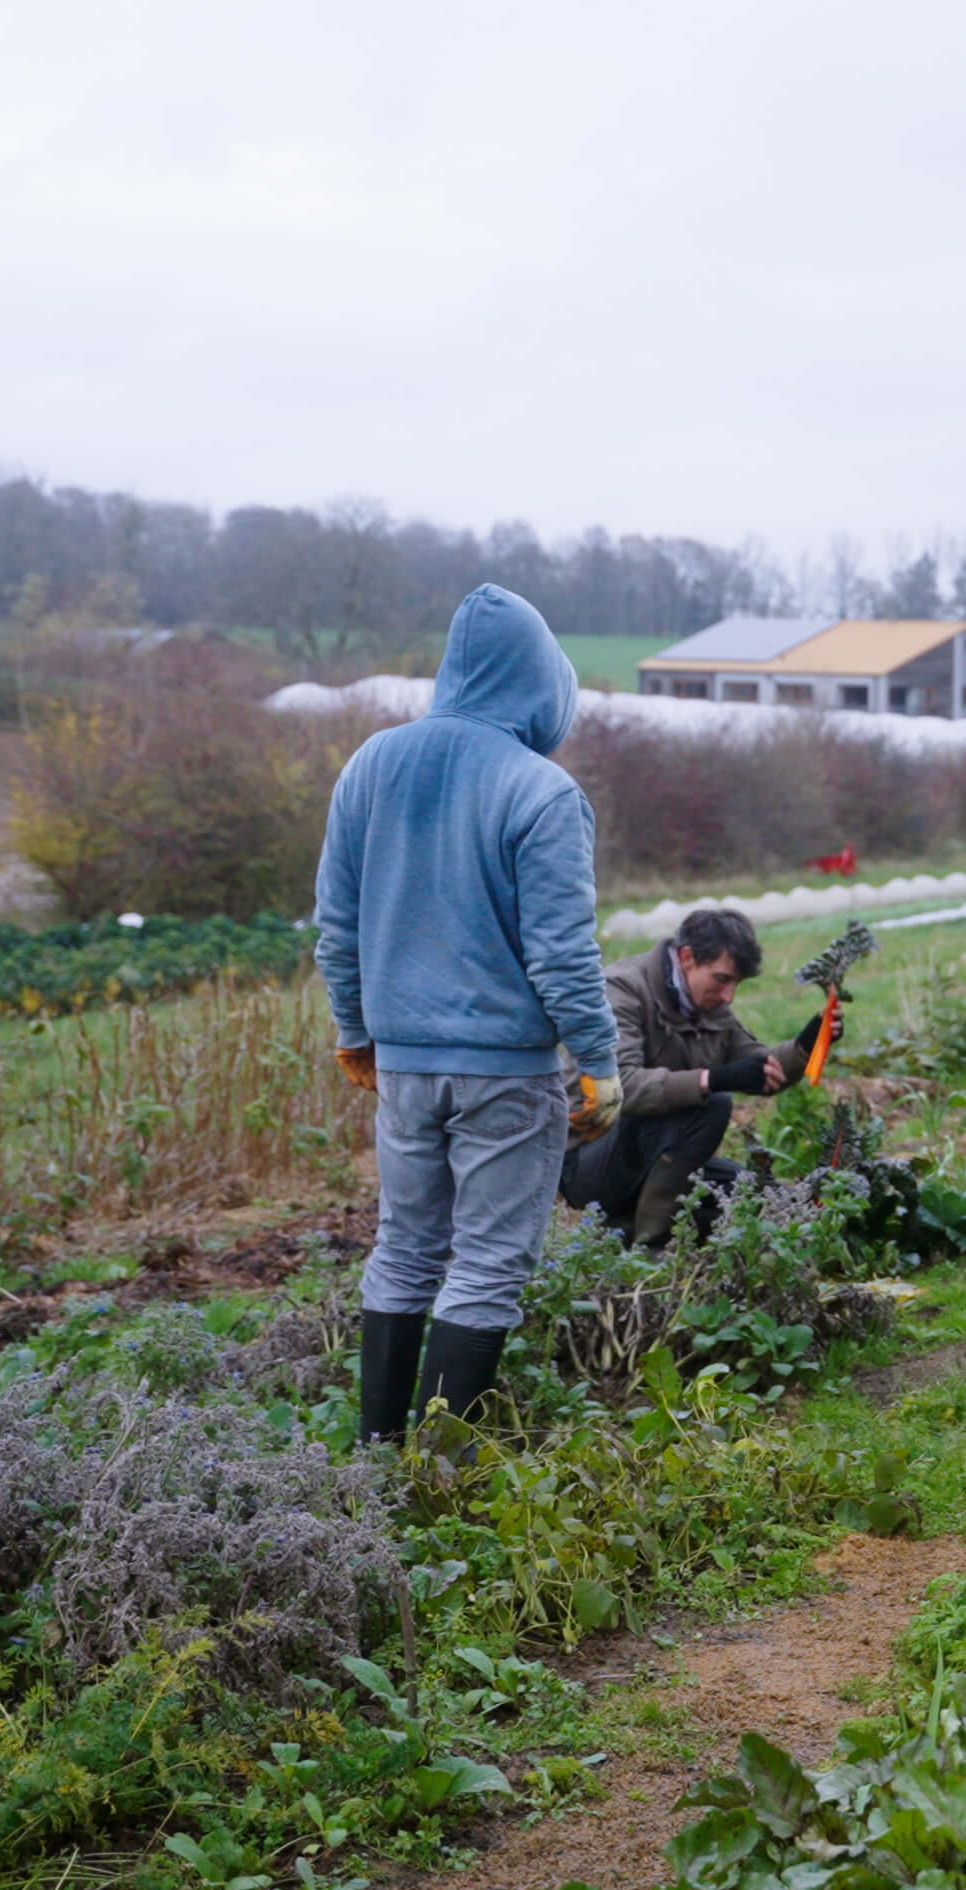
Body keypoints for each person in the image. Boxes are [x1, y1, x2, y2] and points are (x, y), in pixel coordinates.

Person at [317, 583, 623, 1446]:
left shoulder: (371, 764)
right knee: (487, 1265)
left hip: (404, 1066)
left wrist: (354, 1031)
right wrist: (600, 1064)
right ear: (539, 684)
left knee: (404, 1249)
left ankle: (379, 1459)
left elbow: (337, 924)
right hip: (506, 1073)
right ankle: (436, 1475)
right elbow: (562, 956)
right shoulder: (542, 791)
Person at [562, 907, 833, 1244]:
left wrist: (808, 1045)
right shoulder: (620, 991)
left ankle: (631, 1222)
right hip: (589, 1162)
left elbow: (758, 1068)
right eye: (722, 979)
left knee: (756, 1194)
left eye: (737, 984)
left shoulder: (707, 1004)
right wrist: (713, 1079)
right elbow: (621, 1088)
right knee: (714, 1104)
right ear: (688, 957)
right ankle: (649, 1244)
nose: (728, 996)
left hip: (658, 1155)